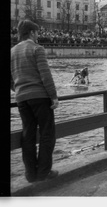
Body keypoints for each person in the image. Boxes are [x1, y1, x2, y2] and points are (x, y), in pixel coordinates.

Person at [10, 19, 59, 182]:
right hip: (40, 97)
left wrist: (19, 89)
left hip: (22, 99)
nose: (39, 35)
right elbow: (45, 75)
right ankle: (43, 172)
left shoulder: (12, 51)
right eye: (37, 32)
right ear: (32, 33)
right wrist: (53, 96)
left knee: (27, 135)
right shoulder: (37, 49)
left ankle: (30, 174)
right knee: (47, 134)